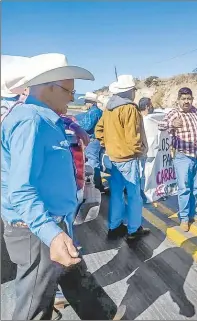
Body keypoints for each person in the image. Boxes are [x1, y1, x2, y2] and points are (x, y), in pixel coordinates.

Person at [1, 53, 93, 320]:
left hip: (48, 222)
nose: (72, 98)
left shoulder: (45, 118)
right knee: (33, 305)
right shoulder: (31, 121)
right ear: (49, 86)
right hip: (35, 229)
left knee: (50, 288)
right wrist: (51, 233)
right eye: (69, 91)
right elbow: (20, 188)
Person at [95, 75, 150, 241]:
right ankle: (133, 230)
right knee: (134, 196)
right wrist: (138, 152)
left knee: (117, 194)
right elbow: (134, 137)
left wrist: (110, 145)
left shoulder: (109, 108)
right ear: (129, 91)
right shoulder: (129, 109)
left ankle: (114, 226)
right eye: (133, 89)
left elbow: (99, 131)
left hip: (113, 158)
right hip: (127, 158)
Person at [158, 87, 197, 232]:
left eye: (189, 99)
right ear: (178, 100)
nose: (186, 101)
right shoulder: (174, 113)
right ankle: (184, 218)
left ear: (192, 99)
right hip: (182, 156)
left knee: (195, 188)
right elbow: (160, 125)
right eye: (184, 99)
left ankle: (193, 214)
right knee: (184, 188)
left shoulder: (196, 112)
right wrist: (172, 124)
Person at [74, 91, 104, 191]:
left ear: (90, 102)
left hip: (93, 141)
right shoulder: (97, 111)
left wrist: (74, 124)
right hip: (97, 140)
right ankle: (97, 184)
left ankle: (95, 186)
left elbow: (87, 126)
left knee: (92, 163)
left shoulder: (93, 112)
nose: (85, 104)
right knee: (95, 162)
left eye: (86, 102)